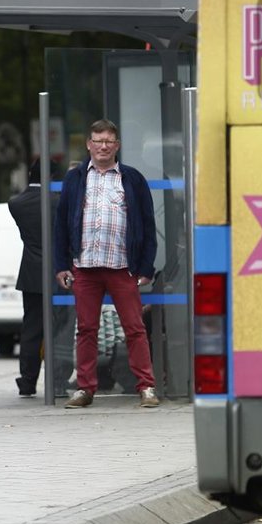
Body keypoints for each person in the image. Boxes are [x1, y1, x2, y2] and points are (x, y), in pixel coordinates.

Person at [53, 118, 159, 409]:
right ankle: (85, 389)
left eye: (108, 141)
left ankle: (146, 387)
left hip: (122, 266)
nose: (102, 146)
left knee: (134, 328)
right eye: (97, 141)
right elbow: (61, 224)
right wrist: (62, 264)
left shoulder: (132, 179)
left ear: (117, 146)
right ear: (88, 144)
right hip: (84, 266)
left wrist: (146, 267)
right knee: (86, 329)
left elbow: (148, 226)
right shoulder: (75, 179)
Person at [8, 158, 58, 397]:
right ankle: (58, 378)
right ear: (51, 178)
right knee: (62, 327)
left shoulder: (16, 203)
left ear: (30, 173)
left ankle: (28, 381)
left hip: (31, 272)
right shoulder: (58, 201)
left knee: (31, 328)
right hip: (60, 270)